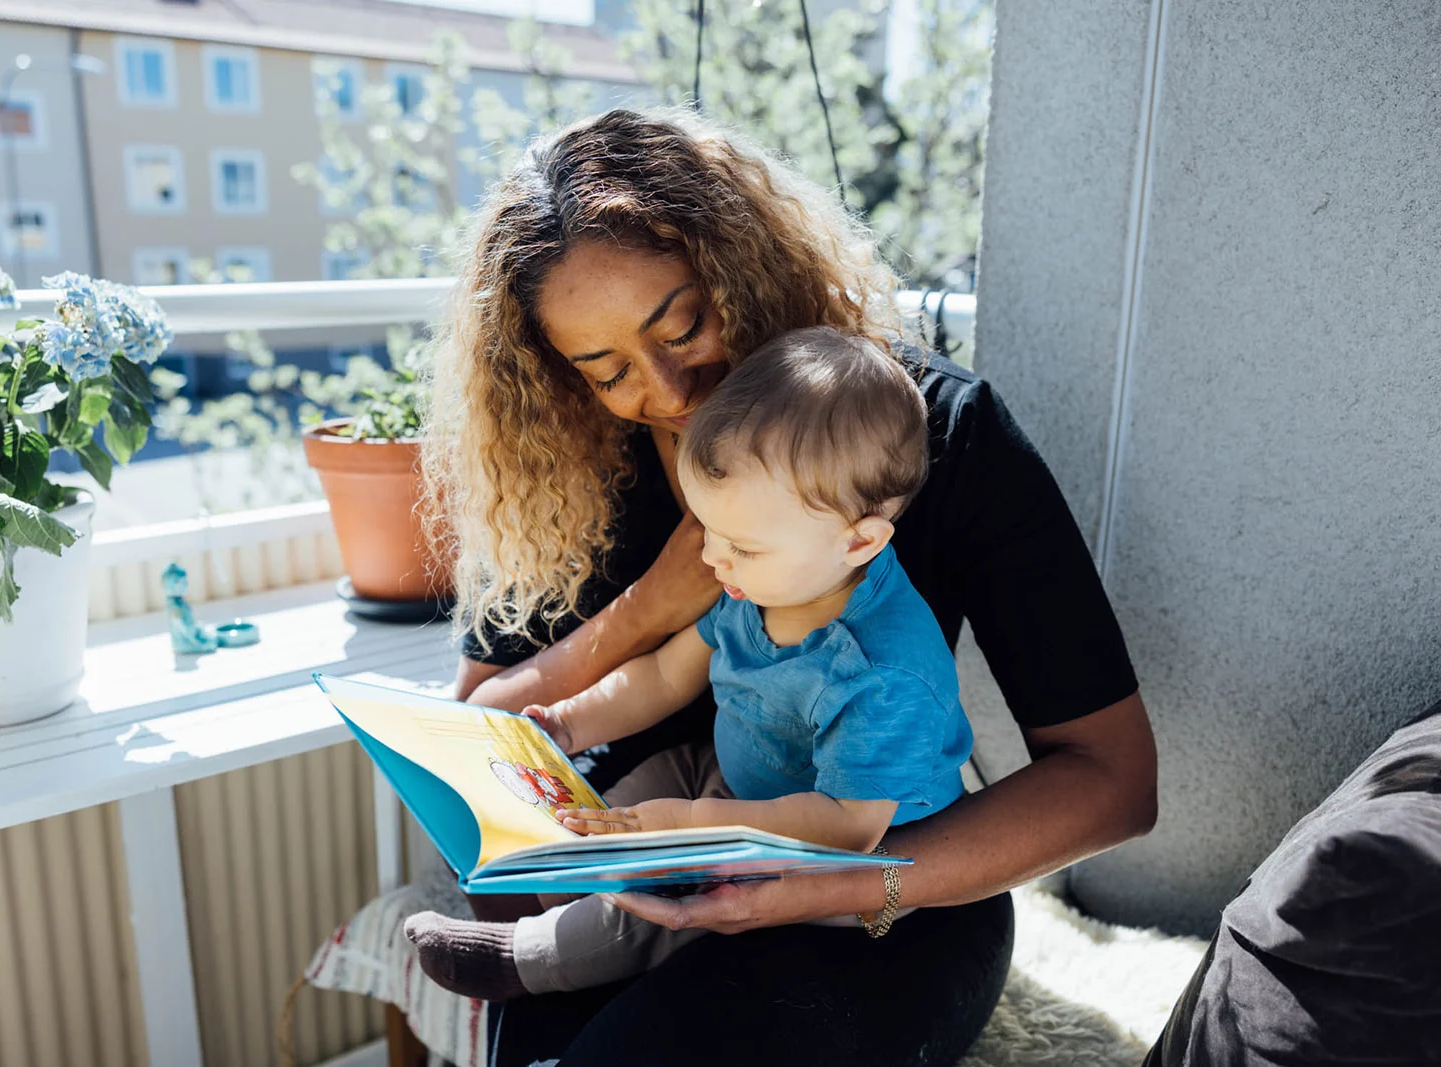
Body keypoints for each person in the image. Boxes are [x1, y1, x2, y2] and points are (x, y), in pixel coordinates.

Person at [419, 107, 1158, 1066]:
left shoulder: (934, 434)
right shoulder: (571, 461)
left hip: (884, 883)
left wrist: (850, 883)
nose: (670, 391)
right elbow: (479, 720)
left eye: (683, 324)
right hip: (636, 866)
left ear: (741, 262)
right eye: (605, 370)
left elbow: (1114, 782)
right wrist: (657, 603)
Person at [406, 327, 975, 1001]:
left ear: (860, 540)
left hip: (834, 854)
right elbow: (665, 674)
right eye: (711, 532)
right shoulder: (761, 583)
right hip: (732, 773)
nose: (714, 560)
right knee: (627, 801)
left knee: (684, 892)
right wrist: (563, 723)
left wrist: (691, 825)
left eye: (742, 545)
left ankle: (527, 959)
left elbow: (849, 824)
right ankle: (560, 875)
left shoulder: (886, 673)